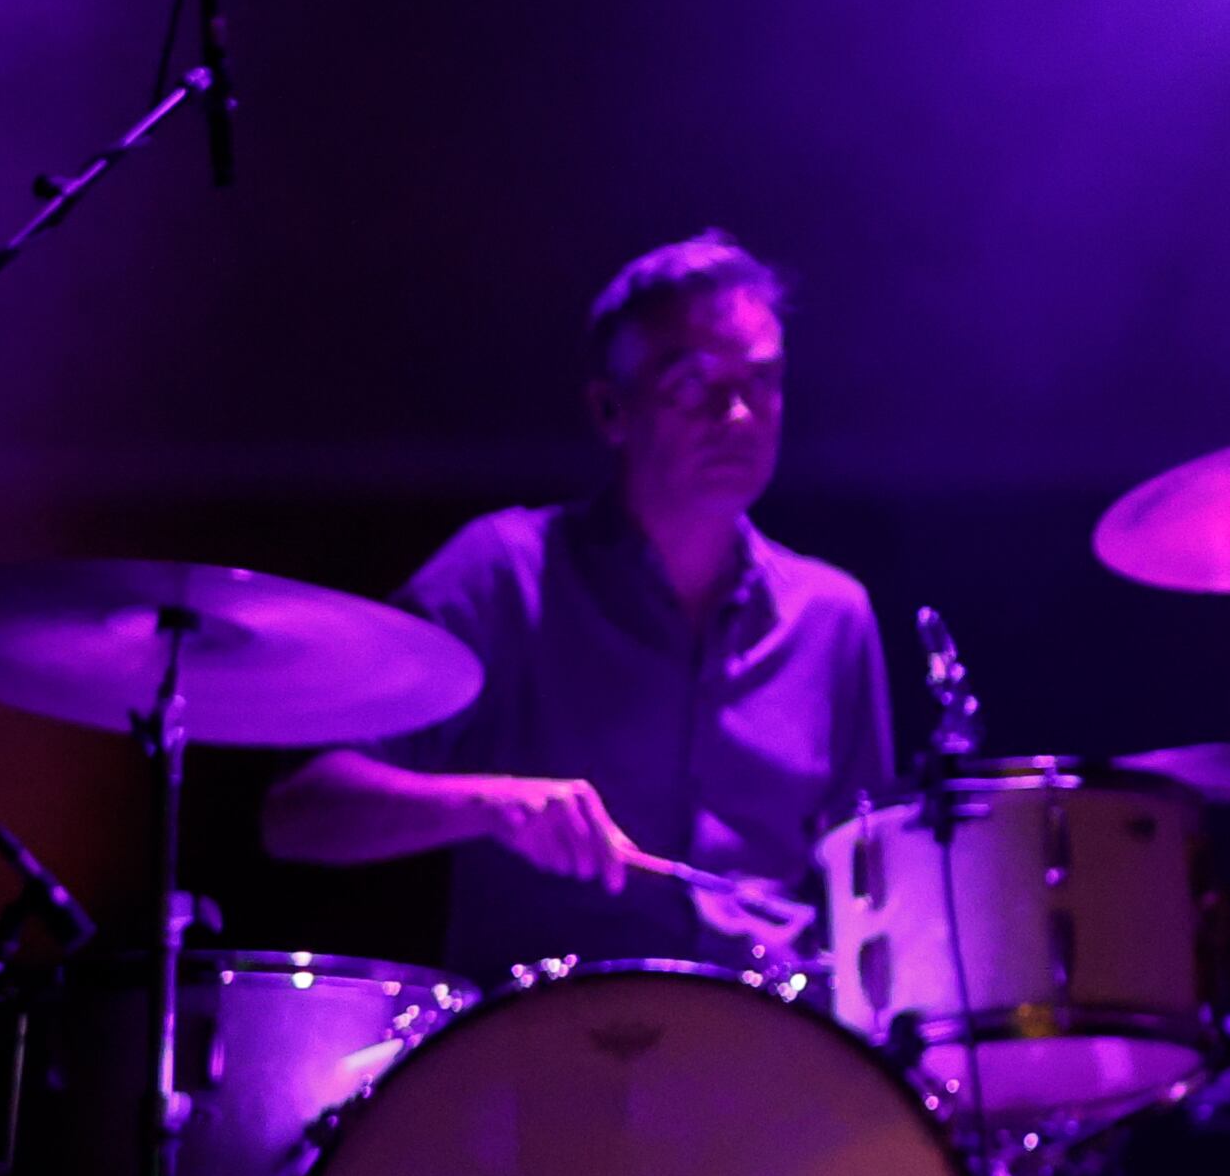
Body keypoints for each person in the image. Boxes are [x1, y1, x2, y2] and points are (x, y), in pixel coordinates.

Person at [265, 231, 896, 977]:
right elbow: (301, 810)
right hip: (543, 1057)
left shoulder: (833, 616)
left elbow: (874, 888)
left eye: (761, 381)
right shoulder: (504, 572)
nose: (738, 414)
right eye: (693, 384)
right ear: (609, 411)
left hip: (765, 1053)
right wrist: (490, 804)